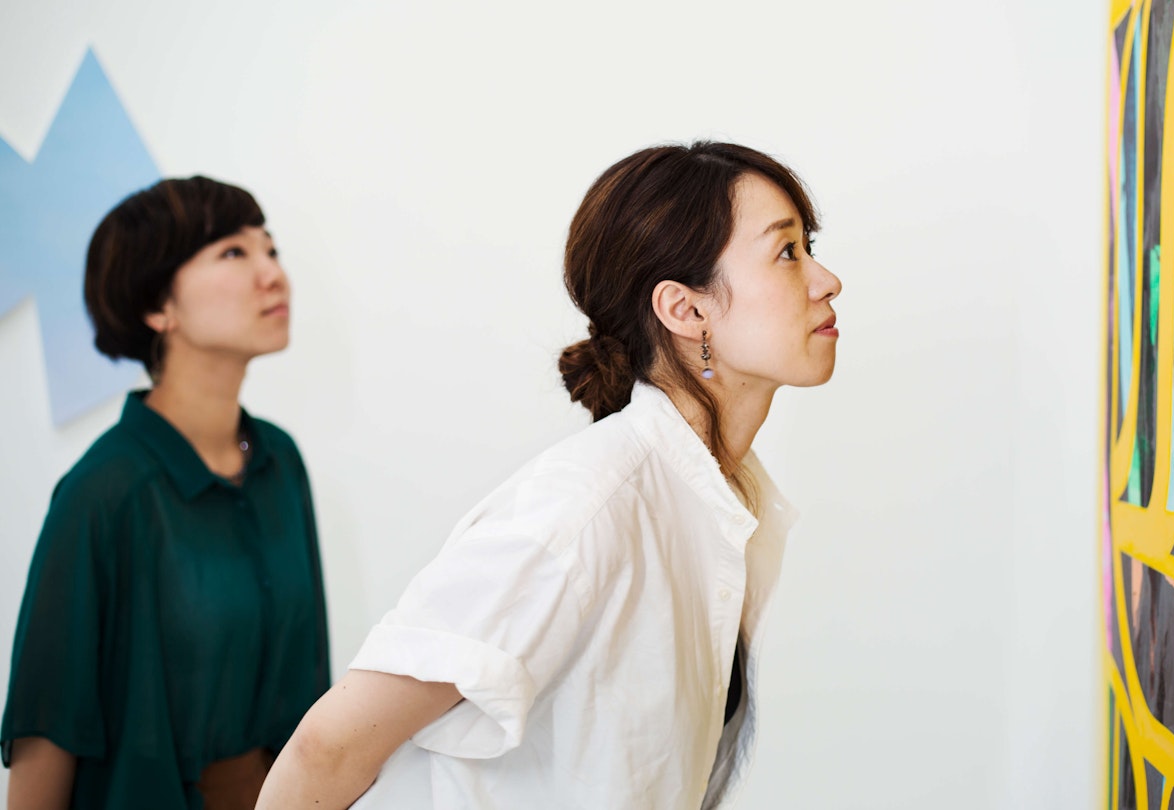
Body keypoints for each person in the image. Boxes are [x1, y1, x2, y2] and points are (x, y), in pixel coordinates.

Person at [256, 140, 842, 809]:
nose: (827, 281)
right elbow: (326, 749)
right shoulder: (585, 508)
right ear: (685, 309)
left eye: (811, 247)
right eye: (788, 251)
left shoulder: (733, 503)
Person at [1, 177, 330, 810]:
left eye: (271, 249)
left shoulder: (280, 461)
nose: (273, 275)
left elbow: (313, 686)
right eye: (234, 254)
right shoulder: (103, 492)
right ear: (159, 308)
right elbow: (49, 730)